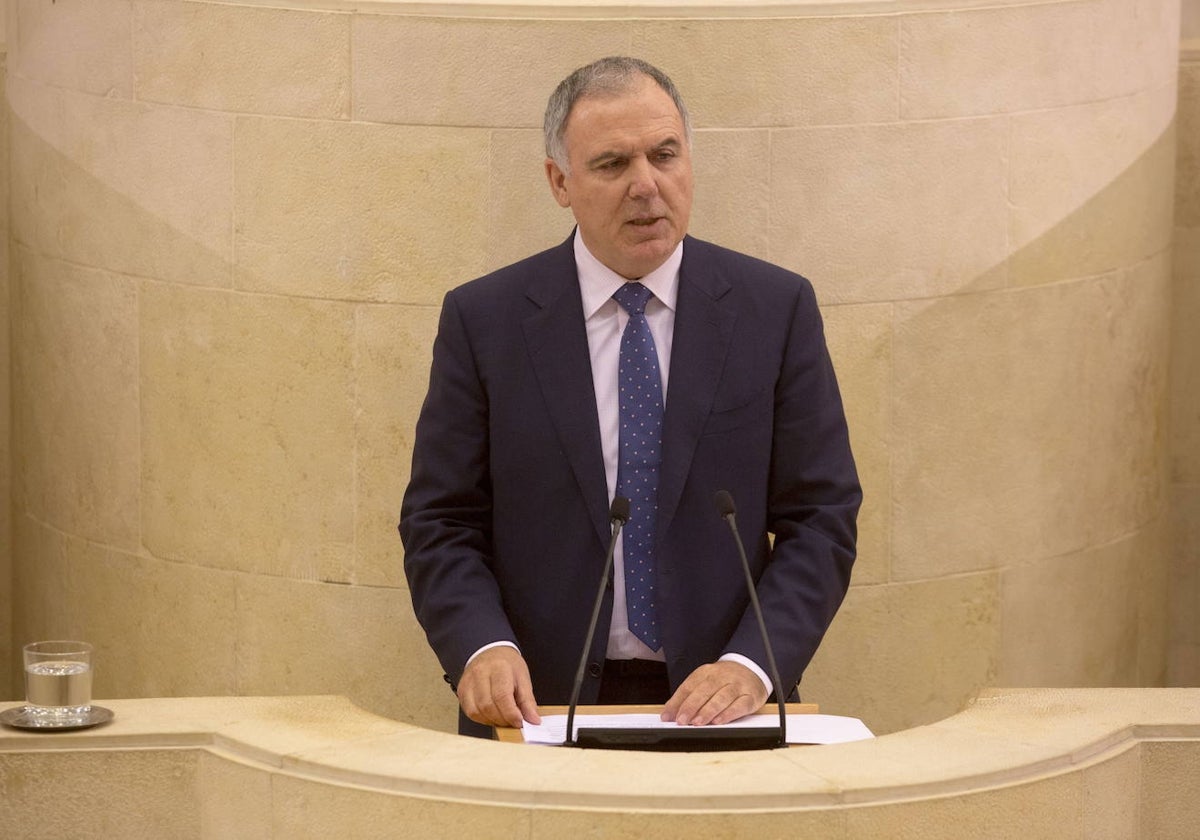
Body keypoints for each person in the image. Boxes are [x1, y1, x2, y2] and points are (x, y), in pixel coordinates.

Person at [400, 56, 861, 738]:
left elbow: (821, 518)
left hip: (722, 708)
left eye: (665, 155)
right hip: (538, 708)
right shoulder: (486, 320)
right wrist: (482, 645)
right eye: (613, 164)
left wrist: (752, 664)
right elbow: (443, 519)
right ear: (560, 181)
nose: (647, 186)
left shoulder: (774, 308)